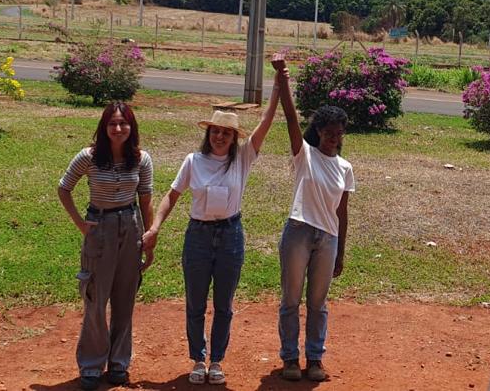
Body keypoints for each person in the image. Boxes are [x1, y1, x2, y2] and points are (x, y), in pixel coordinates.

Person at [142, 53, 288, 386]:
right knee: (195, 301)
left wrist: (278, 85)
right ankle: (197, 359)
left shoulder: (244, 159)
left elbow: (266, 121)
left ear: (235, 138)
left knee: (224, 303)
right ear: (208, 134)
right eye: (215, 132)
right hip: (198, 237)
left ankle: (217, 361)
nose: (219, 137)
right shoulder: (193, 161)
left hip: (231, 236)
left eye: (226, 133)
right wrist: (155, 227)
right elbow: (172, 196)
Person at [56, 102, 155, 391]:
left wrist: (149, 238)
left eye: (124, 123)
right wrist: (80, 224)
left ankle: (118, 364)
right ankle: (91, 365)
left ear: (132, 127)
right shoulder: (88, 157)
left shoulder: (141, 159)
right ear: (104, 127)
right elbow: (64, 188)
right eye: (112, 123)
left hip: (131, 225)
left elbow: (146, 199)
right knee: (96, 299)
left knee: (125, 299)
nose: (118, 128)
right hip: (100, 228)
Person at [273, 72, 355, 383]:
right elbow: (292, 120)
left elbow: (342, 213)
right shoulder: (304, 156)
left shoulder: (345, 168)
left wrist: (340, 252)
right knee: (291, 299)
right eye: (330, 132)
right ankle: (290, 358)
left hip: (328, 238)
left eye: (339, 132)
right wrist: (282, 81)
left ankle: (315, 358)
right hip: (299, 231)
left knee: (318, 304)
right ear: (319, 131)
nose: (335, 137)